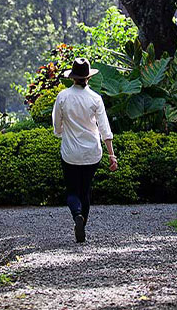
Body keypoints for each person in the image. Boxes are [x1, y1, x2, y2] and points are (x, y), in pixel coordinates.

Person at [52, 58, 118, 243]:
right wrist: (111, 155)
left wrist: (61, 132)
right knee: (86, 190)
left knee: (72, 190)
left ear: (72, 77)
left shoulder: (63, 97)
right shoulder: (95, 98)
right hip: (92, 152)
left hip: (70, 152)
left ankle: (77, 215)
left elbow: (57, 125)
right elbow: (105, 129)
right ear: (88, 77)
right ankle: (83, 223)